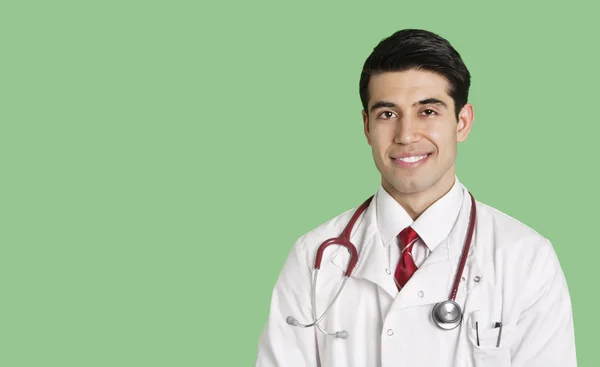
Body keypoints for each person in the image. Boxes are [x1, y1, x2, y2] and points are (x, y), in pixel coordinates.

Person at [255, 29, 577, 367]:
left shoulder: (525, 258)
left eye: (427, 112)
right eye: (387, 114)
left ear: (462, 122)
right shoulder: (315, 258)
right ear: (366, 126)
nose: (406, 135)